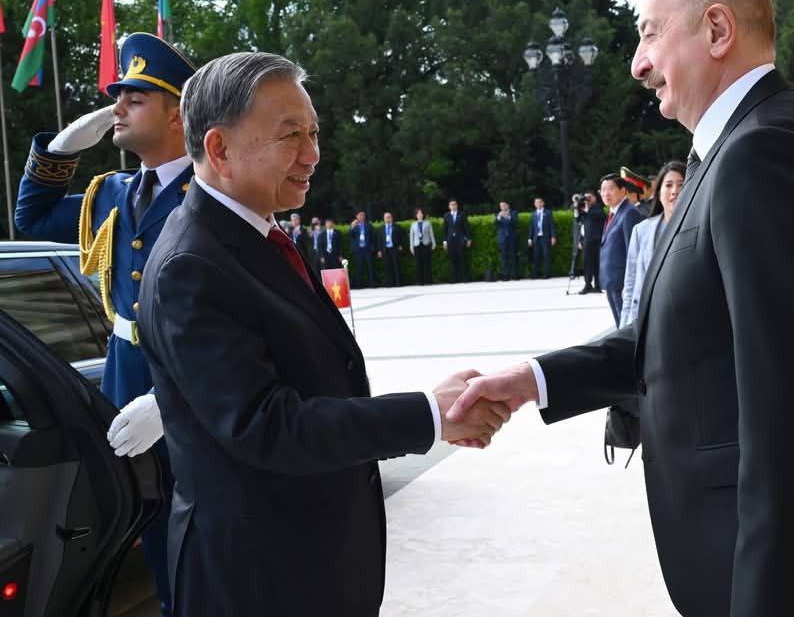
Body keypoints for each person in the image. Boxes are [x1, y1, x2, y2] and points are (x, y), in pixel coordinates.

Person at [447, 0, 794, 617]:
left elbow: (793, 410)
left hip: (779, 584)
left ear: (717, 30)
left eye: (650, 34)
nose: (637, 64)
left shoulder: (766, 150)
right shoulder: (734, 147)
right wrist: (530, 380)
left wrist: (769, 601)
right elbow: (676, 335)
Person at [135, 51, 508, 616]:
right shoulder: (191, 264)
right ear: (219, 148)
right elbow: (267, 426)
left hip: (310, 563)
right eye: (291, 135)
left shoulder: (254, 232)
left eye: (313, 132)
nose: (312, 154)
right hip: (259, 581)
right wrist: (431, 414)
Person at [13, 32, 197, 617]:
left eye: (134, 99)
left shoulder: (212, 193)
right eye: (117, 96)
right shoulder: (111, 193)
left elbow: (239, 326)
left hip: (189, 389)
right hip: (122, 378)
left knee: (196, 531)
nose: (117, 107)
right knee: (144, 524)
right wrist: (58, 150)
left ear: (178, 115)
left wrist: (170, 399)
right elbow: (32, 216)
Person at [619, 161, 685, 327]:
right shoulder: (641, 231)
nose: (675, 191)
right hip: (648, 320)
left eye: (681, 184)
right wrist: (625, 325)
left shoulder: (703, 229)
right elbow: (631, 284)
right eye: (668, 185)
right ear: (659, 192)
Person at [598, 173, 643, 325]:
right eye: (603, 190)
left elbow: (634, 251)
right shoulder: (614, 212)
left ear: (623, 191)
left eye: (611, 189)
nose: (606, 193)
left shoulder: (629, 213)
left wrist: (629, 285)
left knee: (627, 326)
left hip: (622, 284)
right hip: (612, 282)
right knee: (620, 325)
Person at [578, 191, 605, 294]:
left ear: (594, 197)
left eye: (589, 197)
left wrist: (587, 209)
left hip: (597, 240)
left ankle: (598, 285)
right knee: (587, 263)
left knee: (597, 263)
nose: (587, 199)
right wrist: (577, 208)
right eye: (586, 197)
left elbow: (599, 216)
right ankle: (588, 284)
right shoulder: (584, 207)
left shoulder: (598, 207)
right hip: (587, 240)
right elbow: (579, 221)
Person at [442, 198, 471, 282]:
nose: (453, 206)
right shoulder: (446, 215)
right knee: (453, 260)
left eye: (455, 204)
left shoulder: (462, 214)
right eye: (452, 204)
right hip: (451, 240)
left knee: (463, 259)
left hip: (460, 240)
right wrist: (445, 241)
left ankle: (465, 278)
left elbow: (466, 227)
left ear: (457, 205)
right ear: (449, 206)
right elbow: (445, 229)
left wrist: (469, 239)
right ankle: (454, 279)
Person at [527, 196, 556, 278]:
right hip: (536, 238)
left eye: (539, 202)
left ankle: (547, 273)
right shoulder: (533, 214)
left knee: (546, 255)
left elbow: (552, 225)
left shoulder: (548, 213)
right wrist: (529, 238)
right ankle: (535, 274)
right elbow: (532, 227)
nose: (538, 204)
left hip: (545, 237)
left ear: (543, 203)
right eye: (536, 202)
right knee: (536, 256)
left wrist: (553, 236)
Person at [349, 210, 376, 287]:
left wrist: (372, 247)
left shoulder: (369, 225)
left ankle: (372, 283)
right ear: (357, 216)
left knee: (370, 267)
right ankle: (359, 285)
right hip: (358, 250)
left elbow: (373, 237)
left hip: (367, 249)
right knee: (358, 267)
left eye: (363, 215)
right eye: (360, 215)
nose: (362, 216)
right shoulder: (354, 225)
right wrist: (352, 226)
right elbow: (350, 234)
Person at [378, 211, 404, 287]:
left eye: (389, 217)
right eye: (386, 217)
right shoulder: (381, 228)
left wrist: (400, 245)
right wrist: (379, 250)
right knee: (387, 267)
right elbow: (379, 240)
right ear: (384, 219)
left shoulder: (397, 227)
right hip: (385, 249)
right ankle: (389, 283)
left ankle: (398, 283)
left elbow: (401, 237)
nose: (388, 218)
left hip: (394, 248)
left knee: (396, 266)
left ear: (392, 218)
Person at [411, 207, 435, 285]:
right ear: (416, 215)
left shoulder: (428, 223)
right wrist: (411, 247)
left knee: (427, 263)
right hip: (417, 245)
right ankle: (419, 281)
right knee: (418, 264)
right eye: (418, 213)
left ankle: (428, 281)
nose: (420, 215)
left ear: (423, 214)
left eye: (421, 213)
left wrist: (433, 243)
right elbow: (411, 237)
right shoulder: (413, 224)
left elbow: (431, 234)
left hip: (426, 244)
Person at [494, 200, 519, 280]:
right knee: (504, 257)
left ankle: (515, 275)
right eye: (501, 206)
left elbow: (515, 221)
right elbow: (495, 224)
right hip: (502, 238)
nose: (502, 207)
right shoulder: (498, 214)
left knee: (513, 256)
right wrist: (498, 217)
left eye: (503, 205)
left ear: (508, 205)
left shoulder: (513, 213)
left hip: (512, 238)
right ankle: (506, 275)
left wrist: (508, 216)